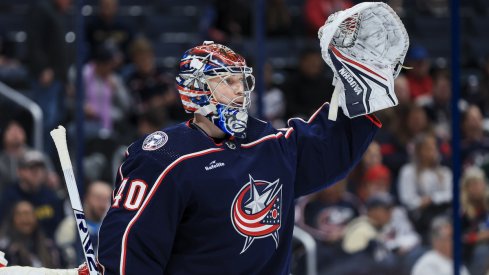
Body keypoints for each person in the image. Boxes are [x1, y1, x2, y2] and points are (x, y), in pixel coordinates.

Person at [0, 41, 383, 274]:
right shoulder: (162, 157)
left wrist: (360, 93)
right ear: (195, 91)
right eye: (226, 81)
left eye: (241, 80)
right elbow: (133, 244)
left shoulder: (268, 140)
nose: (239, 91)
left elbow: (325, 152)